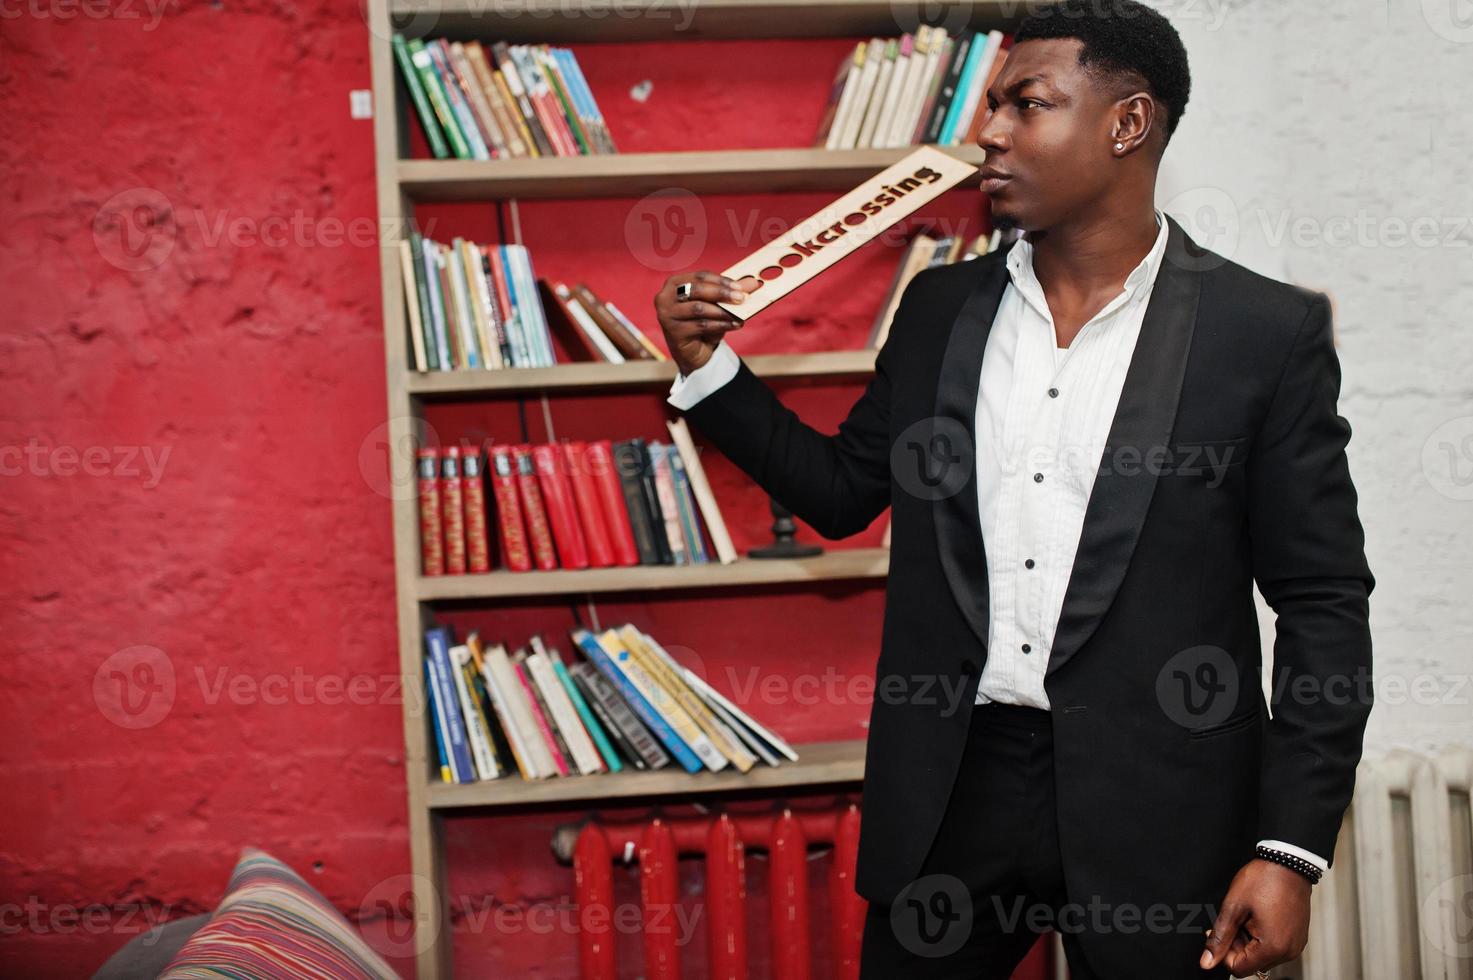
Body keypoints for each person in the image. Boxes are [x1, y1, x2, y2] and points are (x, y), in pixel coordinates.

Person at [652, 2, 1374, 976]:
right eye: (990, 105)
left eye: (1025, 104)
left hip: (1165, 812)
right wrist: (710, 375)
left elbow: (1324, 600)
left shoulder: (1263, 333)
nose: (988, 131)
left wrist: (1289, 846)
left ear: (1128, 123)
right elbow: (840, 489)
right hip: (952, 794)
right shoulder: (941, 308)